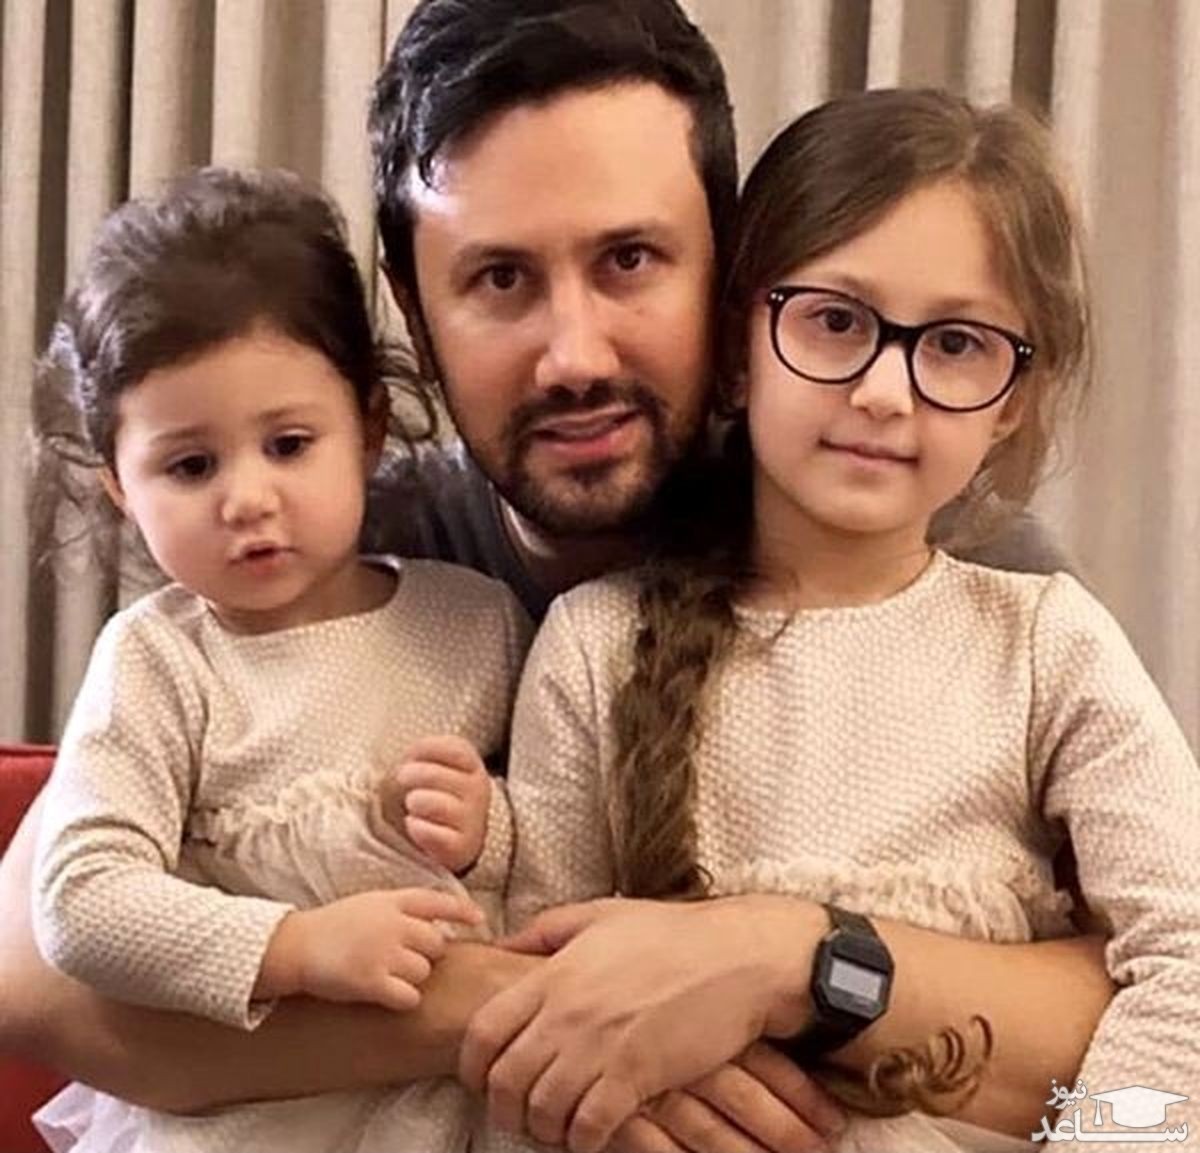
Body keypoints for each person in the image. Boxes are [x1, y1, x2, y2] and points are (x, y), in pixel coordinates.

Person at [0, 4, 1113, 1152]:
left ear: (727, 275)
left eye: (630, 261)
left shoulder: (946, 575)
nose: (575, 355)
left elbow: (1146, 1064)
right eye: (499, 278)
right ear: (412, 309)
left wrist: (788, 961)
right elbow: (32, 978)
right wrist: (545, 1016)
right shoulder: (325, 559)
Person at [455, 89, 1200, 1152]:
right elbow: (540, 1030)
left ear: (1012, 399)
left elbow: (1186, 975)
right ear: (737, 346)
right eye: (836, 321)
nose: (887, 391)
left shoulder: (1049, 645)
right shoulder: (594, 646)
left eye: (955, 343)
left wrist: (1084, 1133)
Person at [28, 166, 531, 1153]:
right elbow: (80, 899)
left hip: (433, 1111)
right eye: (190, 464)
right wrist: (295, 947)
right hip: (238, 1117)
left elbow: (560, 847)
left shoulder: (474, 619)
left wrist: (489, 829)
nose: (247, 498)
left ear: (369, 429)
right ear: (121, 486)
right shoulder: (159, 661)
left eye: (290, 444)